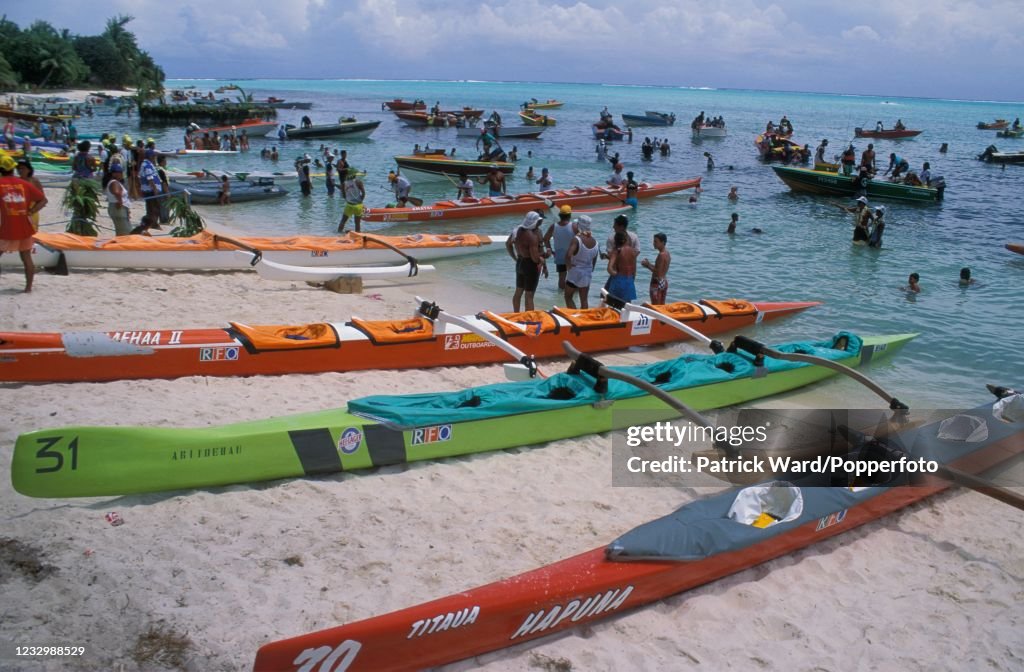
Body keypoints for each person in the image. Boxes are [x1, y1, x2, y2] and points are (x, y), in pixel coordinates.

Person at [0, 154, 47, 292]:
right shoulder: (24, 184)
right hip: (25, 226)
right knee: (26, 258)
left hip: (6, 227)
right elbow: (43, 200)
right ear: (13, 169)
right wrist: (31, 211)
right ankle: (28, 288)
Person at [505, 210, 549, 312]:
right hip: (530, 265)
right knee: (529, 295)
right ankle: (529, 319)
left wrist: (515, 257)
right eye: (538, 221)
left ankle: (516, 314)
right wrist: (542, 259)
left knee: (518, 292)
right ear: (534, 222)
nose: (539, 223)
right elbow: (534, 258)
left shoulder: (517, 230)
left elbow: (508, 244)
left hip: (520, 262)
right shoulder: (532, 236)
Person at [563, 215, 600, 309]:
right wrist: (591, 269)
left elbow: (568, 255)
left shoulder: (577, 239)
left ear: (579, 225)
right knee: (584, 300)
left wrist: (569, 267)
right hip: (587, 272)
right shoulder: (595, 241)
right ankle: (584, 319)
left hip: (575, 272)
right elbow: (595, 258)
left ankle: (574, 316)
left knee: (568, 297)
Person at [543, 205, 575, 290]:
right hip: (572, 256)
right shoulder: (574, 226)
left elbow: (545, 239)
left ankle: (561, 296)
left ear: (560, 215)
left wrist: (550, 250)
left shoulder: (554, 226)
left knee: (561, 278)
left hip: (560, 256)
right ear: (569, 215)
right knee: (574, 278)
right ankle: (574, 297)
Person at [606, 231, 638, 302]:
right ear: (626, 240)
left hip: (619, 280)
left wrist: (616, 274)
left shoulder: (617, 251)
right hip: (629, 280)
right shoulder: (632, 251)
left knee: (613, 304)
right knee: (627, 305)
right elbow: (634, 269)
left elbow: (609, 268)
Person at [103, 164, 133, 236]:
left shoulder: (113, 182)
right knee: (125, 232)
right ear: (114, 173)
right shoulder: (114, 182)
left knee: (123, 230)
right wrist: (120, 201)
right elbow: (116, 192)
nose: (121, 174)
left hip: (117, 207)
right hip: (118, 208)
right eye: (120, 173)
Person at [641, 232, 670, 304]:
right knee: (662, 306)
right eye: (654, 241)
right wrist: (649, 264)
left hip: (657, 283)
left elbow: (658, 272)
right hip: (663, 281)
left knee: (656, 306)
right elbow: (660, 269)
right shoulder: (667, 253)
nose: (653, 243)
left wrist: (647, 265)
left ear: (662, 242)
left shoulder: (661, 255)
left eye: (656, 241)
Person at [339, 169, 366, 233]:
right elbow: (363, 193)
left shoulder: (344, 183)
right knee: (357, 223)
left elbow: (343, 195)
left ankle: (338, 234)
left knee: (343, 220)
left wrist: (347, 199)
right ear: (354, 174)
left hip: (349, 204)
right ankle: (357, 235)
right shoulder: (358, 182)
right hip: (358, 205)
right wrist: (361, 200)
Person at [138, 149, 161, 223]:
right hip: (150, 190)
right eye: (154, 156)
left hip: (148, 189)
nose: (155, 158)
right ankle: (153, 223)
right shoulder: (147, 165)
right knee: (154, 207)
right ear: (151, 157)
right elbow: (150, 178)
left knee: (150, 206)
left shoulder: (145, 164)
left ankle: (151, 222)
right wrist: (155, 189)